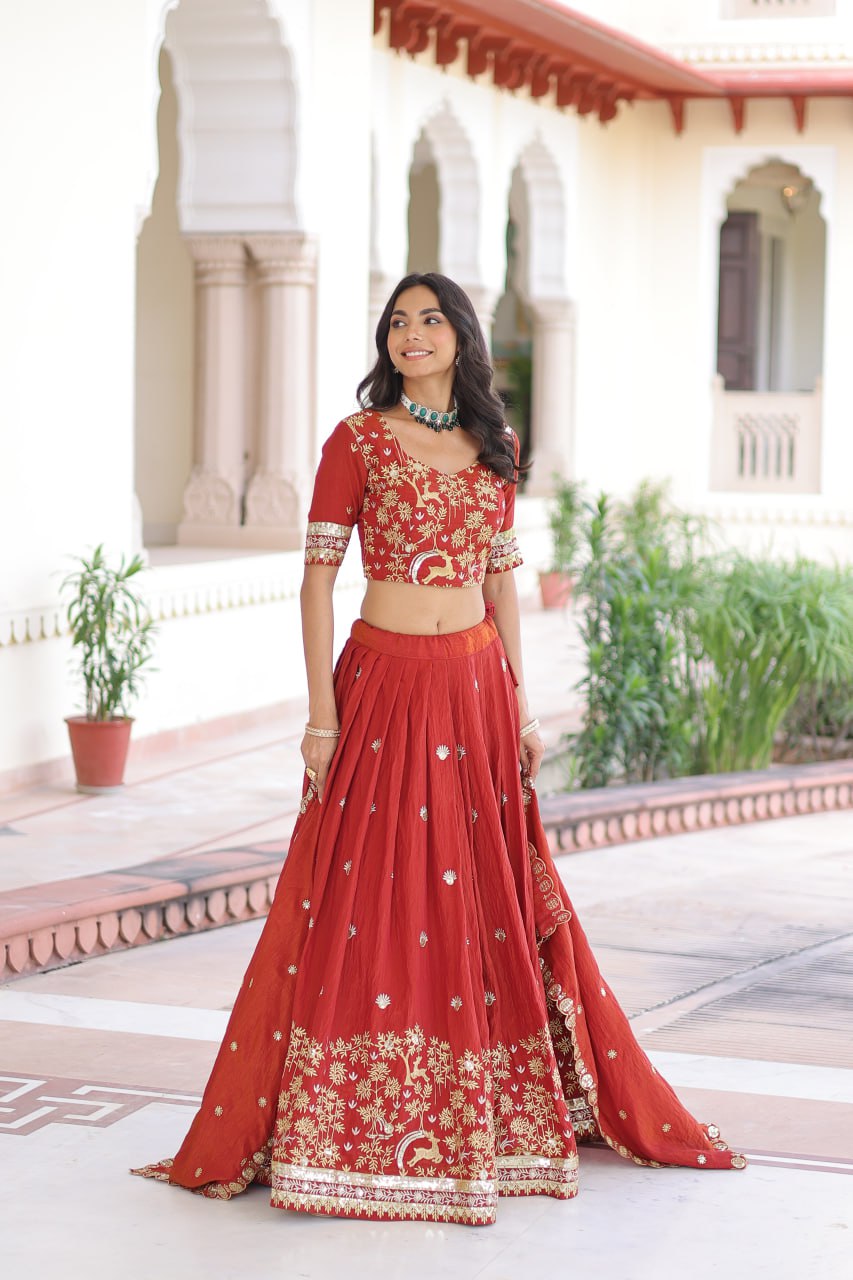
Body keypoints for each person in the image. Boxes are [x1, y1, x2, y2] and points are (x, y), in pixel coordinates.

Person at [132, 272, 745, 1225]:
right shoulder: (358, 440)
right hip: (379, 686)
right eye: (397, 321)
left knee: (478, 893)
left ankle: (492, 1107)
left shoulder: (491, 448)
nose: (410, 333)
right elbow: (315, 585)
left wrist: (525, 708)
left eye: (429, 320)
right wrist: (320, 715)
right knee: (364, 890)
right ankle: (347, 1116)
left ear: (460, 336)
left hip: (472, 691)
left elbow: (503, 588)